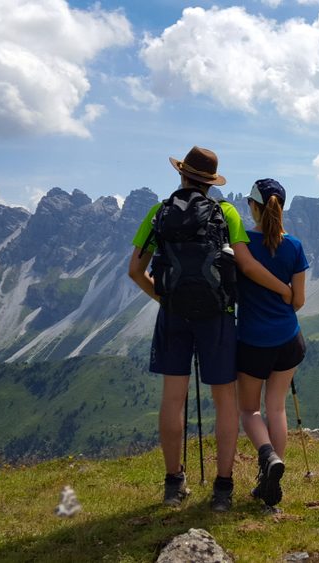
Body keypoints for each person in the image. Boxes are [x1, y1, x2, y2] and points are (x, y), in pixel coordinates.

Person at [128, 146, 292, 512]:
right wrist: (284, 290)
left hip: (173, 314)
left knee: (173, 398)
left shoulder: (159, 213)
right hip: (217, 316)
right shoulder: (226, 212)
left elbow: (135, 271)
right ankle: (223, 489)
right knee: (226, 401)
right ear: (210, 182)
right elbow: (246, 265)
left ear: (182, 175)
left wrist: (166, 298)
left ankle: (174, 484)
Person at [236, 178, 308, 508]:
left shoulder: (241, 244)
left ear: (252, 206)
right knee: (276, 406)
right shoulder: (294, 246)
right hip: (288, 339)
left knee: (250, 410)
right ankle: (271, 478)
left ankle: (268, 458)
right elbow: (299, 301)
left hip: (252, 340)